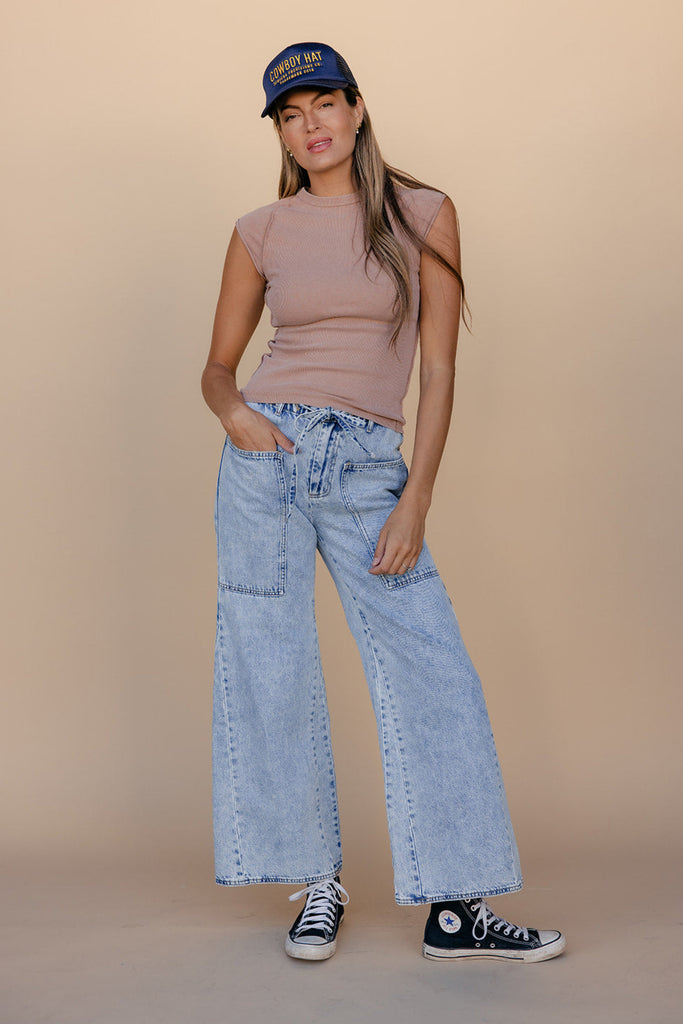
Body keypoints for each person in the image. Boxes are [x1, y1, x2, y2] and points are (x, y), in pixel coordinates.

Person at [201, 41, 566, 964]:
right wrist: (235, 414)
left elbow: (438, 370)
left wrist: (416, 502)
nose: (310, 126)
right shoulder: (260, 229)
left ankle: (456, 908)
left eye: (323, 104)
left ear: (357, 108)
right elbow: (216, 368)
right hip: (264, 464)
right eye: (290, 116)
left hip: (367, 466)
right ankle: (313, 883)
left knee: (431, 669)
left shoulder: (423, 214)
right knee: (269, 667)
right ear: (282, 134)